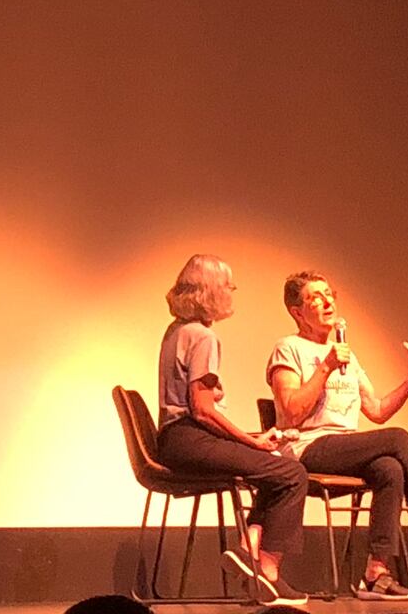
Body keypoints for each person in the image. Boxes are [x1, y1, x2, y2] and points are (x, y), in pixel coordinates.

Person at [266, 271, 408, 600]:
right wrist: (325, 367)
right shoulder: (288, 348)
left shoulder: (346, 353)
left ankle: (376, 573)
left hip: (342, 449)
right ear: (297, 312)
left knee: (390, 467)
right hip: (307, 448)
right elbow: (291, 412)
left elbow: (376, 410)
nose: (328, 300)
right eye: (315, 297)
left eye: (329, 293)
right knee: (398, 439)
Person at [157, 254, 310, 608]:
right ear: (210, 291)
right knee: (291, 471)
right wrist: (251, 440)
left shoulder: (177, 331)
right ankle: (267, 572)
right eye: (228, 285)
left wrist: (253, 442)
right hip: (189, 438)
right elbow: (202, 410)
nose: (231, 292)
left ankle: (248, 550)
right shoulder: (204, 337)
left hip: (177, 438)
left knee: (272, 466)